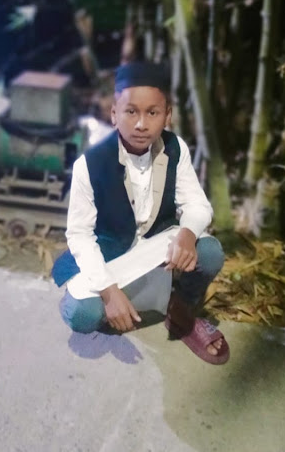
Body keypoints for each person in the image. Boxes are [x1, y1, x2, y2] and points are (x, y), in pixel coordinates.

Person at [52, 61, 229, 365]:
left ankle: (181, 309)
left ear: (167, 115)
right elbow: (79, 235)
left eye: (153, 113)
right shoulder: (90, 164)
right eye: (131, 112)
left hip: (154, 247)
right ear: (114, 114)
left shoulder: (175, 149)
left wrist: (187, 234)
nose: (141, 124)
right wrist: (109, 293)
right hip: (110, 254)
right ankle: (107, 303)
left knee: (210, 252)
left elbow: (198, 205)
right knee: (83, 315)